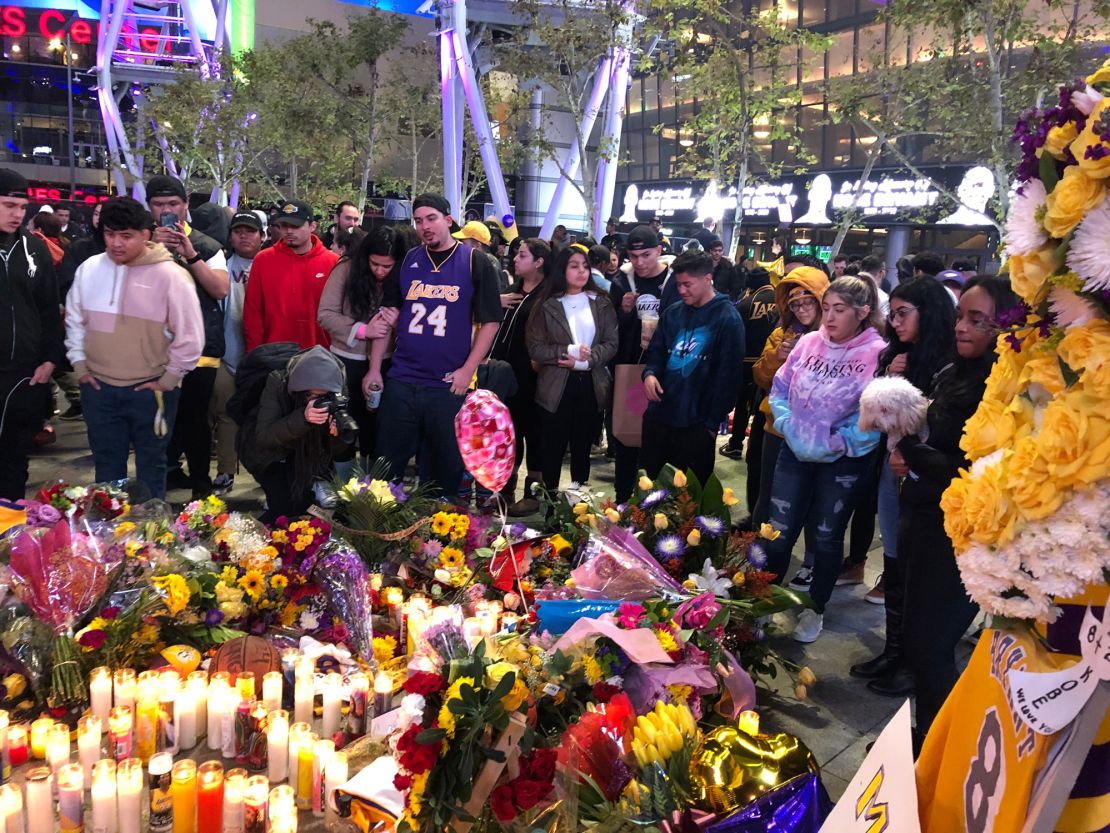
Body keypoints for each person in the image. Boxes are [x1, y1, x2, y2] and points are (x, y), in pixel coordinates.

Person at [895, 276, 1017, 739]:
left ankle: (938, 752)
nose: (961, 327)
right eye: (960, 316)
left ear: (1005, 325)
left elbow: (967, 466)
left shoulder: (1003, 386)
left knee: (930, 645)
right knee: (916, 640)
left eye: (977, 319)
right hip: (925, 515)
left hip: (962, 533)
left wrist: (907, 442)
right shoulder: (954, 369)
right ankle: (926, 738)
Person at [763, 276, 887, 642]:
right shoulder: (808, 342)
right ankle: (761, 606)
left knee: (827, 536)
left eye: (840, 310)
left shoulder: (876, 352)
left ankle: (814, 610)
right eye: (827, 308)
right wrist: (787, 422)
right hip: (794, 451)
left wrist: (840, 442)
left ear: (862, 313)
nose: (829, 318)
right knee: (777, 533)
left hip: (842, 462)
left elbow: (876, 413)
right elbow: (780, 387)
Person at [851, 276, 955, 698]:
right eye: (891, 314)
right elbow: (872, 408)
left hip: (925, 479)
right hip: (890, 468)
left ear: (927, 314)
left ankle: (912, 661)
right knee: (893, 557)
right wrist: (885, 372)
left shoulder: (946, 362)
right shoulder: (895, 354)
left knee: (913, 570)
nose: (894, 323)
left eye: (903, 313)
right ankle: (894, 651)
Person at [65, 197, 204, 499]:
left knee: (152, 468)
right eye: (110, 234)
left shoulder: (171, 276)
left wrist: (169, 379)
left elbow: (191, 336)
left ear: (146, 233)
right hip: (98, 388)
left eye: (125, 236)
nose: (116, 243)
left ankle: (148, 538)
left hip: (151, 391)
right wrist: (79, 366)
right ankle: (110, 536)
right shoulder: (90, 269)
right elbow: (74, 319)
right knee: (107, 470)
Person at [365, 193, 502, 498]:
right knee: (385, 468)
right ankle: (380, 534)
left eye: (431, 218)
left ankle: (436, 540)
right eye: (418, 220)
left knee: (444, 472)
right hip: (403, 378)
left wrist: (468, 369)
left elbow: (491, 321)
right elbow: (386, 319)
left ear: (448, 221)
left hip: (447, 384)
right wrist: (374, 369)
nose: (424, 226)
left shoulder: (473, 261)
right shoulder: (407, 262)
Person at [146, 175, 229, 498]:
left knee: (195, 420)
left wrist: (190, 253)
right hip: (153, 350)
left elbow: (220, 289)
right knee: (156, 420)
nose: (167, 210)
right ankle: (160, 481)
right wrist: (152, 248)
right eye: (159, 204)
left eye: (173, 204)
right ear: (150, 207)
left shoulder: (208, 245)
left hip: (200, 349)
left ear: (185, 206)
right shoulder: (142, 244)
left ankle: (201, 486)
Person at [641, 250, 744, 486]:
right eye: (678, 284)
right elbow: (656, 353)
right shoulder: (673, 313)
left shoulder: (728, 319)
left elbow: (729, 377)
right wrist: (649, 374)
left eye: (688, 284)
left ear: (708, 279)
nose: (681, 291)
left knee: (688, 501)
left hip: (697, 424)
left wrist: (711, 423)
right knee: (650, 492)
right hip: (659, 416)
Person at [526, 246, 618, 492]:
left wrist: (587, 360)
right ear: (562, 269)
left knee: (582, 449)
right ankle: (551, 504)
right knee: (553, 449)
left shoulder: (601, 302)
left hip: (591, 383)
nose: (581, 272)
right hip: (555, 385)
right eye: (574, 266)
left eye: (585, 266)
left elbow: (611, 343)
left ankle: (578, 505)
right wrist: (566, 351)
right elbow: (535, 348)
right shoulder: (547, 304)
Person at [317, 226, 405, 466]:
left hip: (389, 361)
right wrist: (362, 330)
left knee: (377, 430)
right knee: (344, 427)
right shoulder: (346, 269)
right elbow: (325, 314)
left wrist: (398, 325)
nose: (379, 271)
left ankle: (372, 488)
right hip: (346, 361)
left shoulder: (405, 275)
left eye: (387, 267)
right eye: (374, 264)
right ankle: (343, 487)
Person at [0, 170, 64, 498]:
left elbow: (48, 310)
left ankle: (8, 536)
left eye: (22, 206)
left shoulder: (34, 250)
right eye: (9, 205)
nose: (17, 214)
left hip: (24, 376)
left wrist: (51, 358)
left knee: (15, 461)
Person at [239, 346, 355, 524]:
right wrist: (303, 418)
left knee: (303, 509)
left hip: (305, 457)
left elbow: (335, 450)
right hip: (267, 455)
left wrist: (335, 435)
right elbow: (264, 437)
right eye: (313, 395)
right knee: (282, 511)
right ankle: (249, 535)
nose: (320, 401)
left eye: (325, 396)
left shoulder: (337, 389)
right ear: (300, 391)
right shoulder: (278, 381)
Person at [609, 224, 680, 501]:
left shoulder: (675, 283)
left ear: (659, 252)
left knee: (659, 438)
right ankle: (623, 499)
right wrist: (625, 312)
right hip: (630, 369)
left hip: (666, 371)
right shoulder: (620, 283)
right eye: (634, 256)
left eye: (646, 255)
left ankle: (654, 503)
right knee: (627, 436)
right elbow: (611, 331)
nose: (639, 262)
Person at [493, 238, 551, 515]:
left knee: (534, 432)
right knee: (508, 431)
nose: (515, 259)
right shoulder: (512, 289)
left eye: (523, 255)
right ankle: (505, 487)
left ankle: (533, 491)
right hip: (504, 371)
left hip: (532, 373)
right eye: (516, 254)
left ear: (539, 262)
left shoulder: (548, 294)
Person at [209, 211, 264, 496]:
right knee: (227, 414)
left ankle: (267, 477)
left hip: (264, 358)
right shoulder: (222, 267)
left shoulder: (270, 266)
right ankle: (226, 471)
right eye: (238, 230)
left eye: (250, 231)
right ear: (230, 236)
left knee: (266, 418)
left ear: (262, 236)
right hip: (229, 356)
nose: (244, 235)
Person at [243, 199, 339, 352]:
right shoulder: (263, 260)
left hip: (321, 354)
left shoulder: (333, 262)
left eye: (295, 226)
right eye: (284, 226)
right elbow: (253, 313)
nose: (289, 231)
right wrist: (255, 354)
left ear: (312, 226)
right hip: (274, 354)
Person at [722, 267, 778, 501]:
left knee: (743, 405)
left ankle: (735, 444)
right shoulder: (780, 299)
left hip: (749, 362)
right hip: (772, 365)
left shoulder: (746, 303)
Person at [707, 237, 742, 302]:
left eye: (720, 251)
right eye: (715, 250)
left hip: (722, 299)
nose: (717, 253)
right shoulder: (704, 264)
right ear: (710, 251)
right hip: (706, 299)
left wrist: (729, 299)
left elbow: (735, 285)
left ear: (723, 251)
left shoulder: (728, 266)